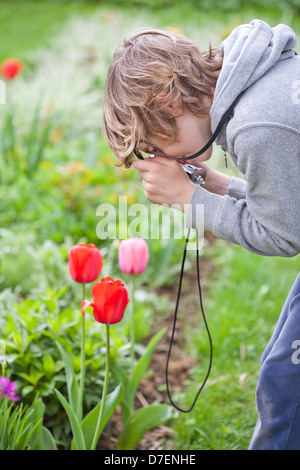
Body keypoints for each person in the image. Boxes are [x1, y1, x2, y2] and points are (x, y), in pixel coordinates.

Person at [102, 19, 300, 449]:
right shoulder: (256, 84)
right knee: (278, 369)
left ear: (169, 104)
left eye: (152, 146)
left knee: (287, 388)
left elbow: (286, 235)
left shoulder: (256, 126)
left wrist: (189, 201)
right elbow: (291, 205)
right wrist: (219, 185)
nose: (156, 157)